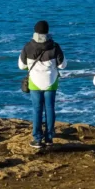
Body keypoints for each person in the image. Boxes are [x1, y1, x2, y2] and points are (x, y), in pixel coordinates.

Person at [18, 20, 67, 148]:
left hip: (34, 83)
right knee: (50, 109)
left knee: (37, 110)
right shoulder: (55, 46)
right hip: (51, 82)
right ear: (47, 32)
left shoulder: (27, 47)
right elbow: (63, 65)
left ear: (35, 32)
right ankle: (49, 138)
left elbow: (21, 66)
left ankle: (37, 139)